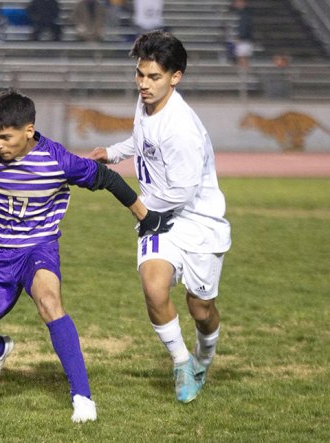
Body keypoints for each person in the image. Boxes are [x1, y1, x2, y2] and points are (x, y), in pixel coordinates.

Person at [0, 89, 173, 421]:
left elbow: (106, 177)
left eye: (6, 137)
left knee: (49, 301)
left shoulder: (57, 160)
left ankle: (83, 398)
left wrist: (144, 216)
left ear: (29, 130)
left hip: (38, 249)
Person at [88, 31, 231, 404]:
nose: (144, 84)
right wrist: (114, 152)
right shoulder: (146, 102)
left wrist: (140, 208)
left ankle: (203, 354)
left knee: (201, 309)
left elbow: (182, 192)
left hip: (198, 221)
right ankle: (182, 362)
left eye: (153, 77)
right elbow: (142, 140)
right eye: (140, 75)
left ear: (175, 77)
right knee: (154, 287)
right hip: (158, 216)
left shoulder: (182, 129)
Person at [230, 0, 253, 69]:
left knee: (242, 57)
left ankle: (245, 73)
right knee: (242, 57)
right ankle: (244, 72)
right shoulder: (242, 13)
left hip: (244, 39)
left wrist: (240, 36)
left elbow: (245, 26)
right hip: (245, 39)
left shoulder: (245, 14)